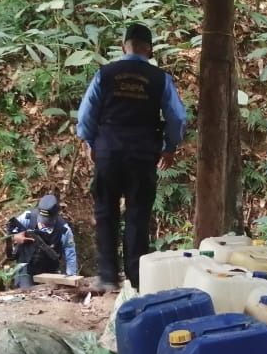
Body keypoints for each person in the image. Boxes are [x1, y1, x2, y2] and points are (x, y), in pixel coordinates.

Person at [77, 23, 187, 291]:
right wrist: (170, 147)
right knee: (138, 215)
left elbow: (85, 116)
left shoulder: (106, 73)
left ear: (123, 45)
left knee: (106, 212)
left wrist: (91, 142)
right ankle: (137, 279)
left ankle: (107, 276)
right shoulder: (160, 78)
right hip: (142, 154)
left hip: (109, 151)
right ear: (149, 49)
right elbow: (177, 117)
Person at [6, 194, 78, 288]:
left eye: (48, 221)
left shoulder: (64, 230)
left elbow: (70, 253)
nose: (44, 223)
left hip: (49, 271)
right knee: (26, 293)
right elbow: (10, 228)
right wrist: (16, 236)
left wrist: (71, 277)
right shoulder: (28, 217)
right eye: (42, 219)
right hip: (25, 267)